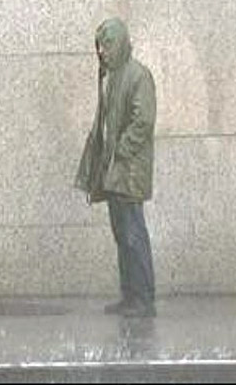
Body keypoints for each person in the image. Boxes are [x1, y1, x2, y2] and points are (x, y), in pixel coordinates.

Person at [75, 17, 157, 318]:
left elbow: (143, 121)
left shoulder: (138, 76)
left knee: (134, 235)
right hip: (114, 171)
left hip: (129, 171)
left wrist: (120, 151)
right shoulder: (110, 76)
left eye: (106, 44)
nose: (102, 51)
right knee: (122, 236)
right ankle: (130, 295)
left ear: (119, 42)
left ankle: (144, 299)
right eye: (99, 46)